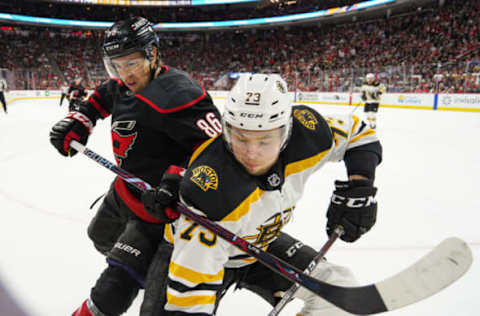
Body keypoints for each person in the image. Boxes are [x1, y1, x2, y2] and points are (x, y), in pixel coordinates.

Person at [142, 74, 382, 315]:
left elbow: (358, 133)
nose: (251, 153)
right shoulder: (211, 192)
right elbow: (191, 299)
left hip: (259, 243)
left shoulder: (309, 134)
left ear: (286, 131)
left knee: (341, 291)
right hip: (190, 255)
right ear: (226, 131)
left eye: (265, 140)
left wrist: (360, 185)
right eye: (241, 137)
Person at [48, 16, 222, 316]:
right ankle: (145, 265)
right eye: (116, 65)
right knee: (99, 236)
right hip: (124, 193)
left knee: (120, 287)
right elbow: (104, 95)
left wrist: (177, 180)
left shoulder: (180, 94)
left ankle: (146, 266)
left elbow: (216, 152)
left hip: (161, 211)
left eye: (131, 63)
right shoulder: (121, 84)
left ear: (153, 54)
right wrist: (81, 119)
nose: (124, 74)